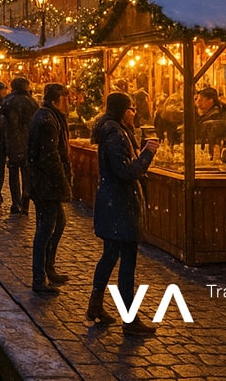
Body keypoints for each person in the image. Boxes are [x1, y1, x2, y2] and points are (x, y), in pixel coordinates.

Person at [86, 92, 158, 336]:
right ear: (121, 110)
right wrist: (148, 153)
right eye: (130, 109)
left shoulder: (114, 130)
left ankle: (96, 306)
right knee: (127, 261)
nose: (134, 113)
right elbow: (125, 171)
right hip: (120, 204)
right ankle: (129, 319)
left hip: (113, 203)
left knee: (111, 255)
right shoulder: (115, 134)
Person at [26, 83, 73, 296]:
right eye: (65, 99)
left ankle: (48, 268)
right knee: (45, 229)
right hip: (46, 184)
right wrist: (62, 181)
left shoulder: (48, 116)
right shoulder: (47, 121)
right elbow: (50, 156)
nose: (69, 104)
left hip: (44, 183)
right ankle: (39, 277)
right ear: (55, 101)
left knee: (57, 223)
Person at [0, 76, 38, 215]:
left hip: (13, 143)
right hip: (28, 143)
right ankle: (25, 202)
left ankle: (15, 202)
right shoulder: (32, 102)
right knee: (26, 174)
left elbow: (5, 123)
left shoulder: (8, 101)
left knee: (13, 173)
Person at [193, 86, 226, 159]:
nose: (197, 102)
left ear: (210, 101)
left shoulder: (216, 114)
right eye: (197, 99)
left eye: (201, 100)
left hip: (214, 151)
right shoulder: (208, 112)